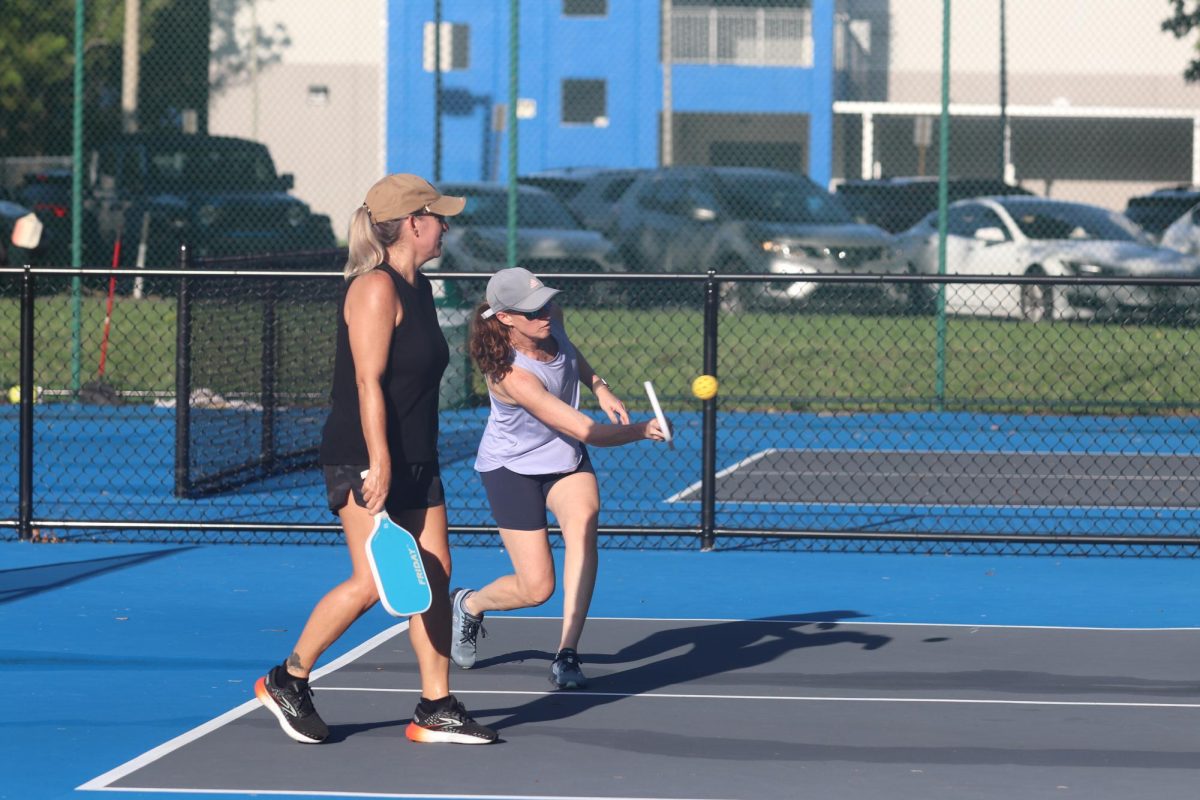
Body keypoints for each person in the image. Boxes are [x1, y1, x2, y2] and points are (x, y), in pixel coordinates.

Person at [254, 174, 497, 745]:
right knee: (371, 582)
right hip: (363, 457)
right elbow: (367, 383)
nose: (446, 226)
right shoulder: (374, 289)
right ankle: (288, 678)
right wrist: (380, 463)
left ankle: (435, 706)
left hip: (417, 459)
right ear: (413, 223)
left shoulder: (420, 289)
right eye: (439, 216)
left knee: (435, 577)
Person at [453, 267, 669, 689]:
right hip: (512, 468)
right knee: (537, 588)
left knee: (584, 528)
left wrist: (600, 386)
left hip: (565, 461)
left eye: (546, 301)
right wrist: (640, 431)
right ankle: (470, 603)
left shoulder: (552, 319)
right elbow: (585, 431)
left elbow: (572, 353)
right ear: (505, 318)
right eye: (531, 310)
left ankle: (567, 653)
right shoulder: (510, 375)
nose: (545, 313)